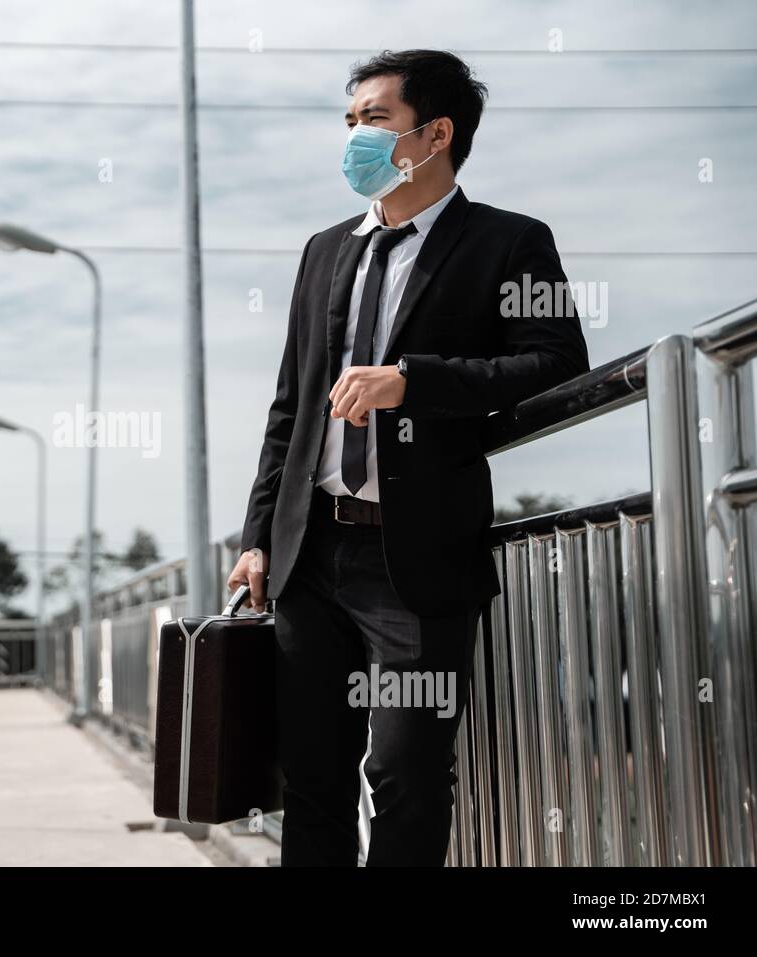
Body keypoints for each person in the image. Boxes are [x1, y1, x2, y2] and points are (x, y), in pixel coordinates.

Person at [227, 49, 589, 866]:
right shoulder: (325, 250)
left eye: (375, 118)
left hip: (417, 561)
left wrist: (412, 381)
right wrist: (257, 536)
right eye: (350, 120)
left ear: (436, 134)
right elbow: (290, 407)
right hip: (309, 555)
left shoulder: (508, 241)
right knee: (311, 778)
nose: (355, 136)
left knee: (406, 775)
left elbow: (557, 360)